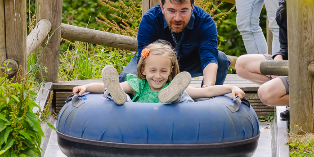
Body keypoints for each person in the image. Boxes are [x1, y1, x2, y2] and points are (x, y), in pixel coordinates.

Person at [234, 0, 314, 121]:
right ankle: (297, 98)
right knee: (241, 64)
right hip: (291, 65)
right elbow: (284, 46)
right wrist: (278, 58)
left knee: (265, 94)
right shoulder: (282, 10)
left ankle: (313, 100)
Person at [120, 0, 231, 86]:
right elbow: (144, 59)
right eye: (171, 11)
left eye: (183, 11)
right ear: (162, 7)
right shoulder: (150, 20)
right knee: (126, 77)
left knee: (220, 59)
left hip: (189, 62)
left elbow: (209, 58)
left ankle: (209, 99)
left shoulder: (205, 21)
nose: (177, 18)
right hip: (155, 62)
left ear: (192, 7)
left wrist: (208, 89)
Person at [74, 41, 244, 104]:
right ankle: (116, 97)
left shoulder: (174, 86)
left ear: (171, 71)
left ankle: (171, 99)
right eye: (153, 70)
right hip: (139, 122)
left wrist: (231, 88)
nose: (158, 75)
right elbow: (107, 84)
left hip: (168, 125)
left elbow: (205, 91)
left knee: (184, 96)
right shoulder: (138, 84)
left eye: (163, 71)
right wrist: (87, 87)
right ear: (143, 70)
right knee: (119, 92)